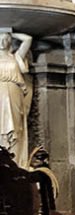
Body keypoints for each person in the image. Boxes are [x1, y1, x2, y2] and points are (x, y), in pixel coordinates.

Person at [0, 29, 32, 167]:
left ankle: (15, 162)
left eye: (5, 39)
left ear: (10, 42)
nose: (2, 42)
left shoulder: (16, 57)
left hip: (14, 93)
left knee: (16, 127)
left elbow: (28, 39)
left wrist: (9, 31)